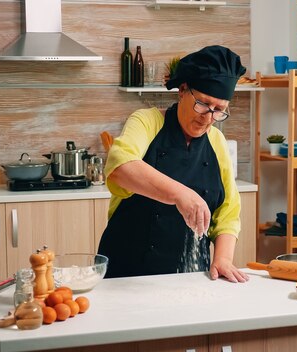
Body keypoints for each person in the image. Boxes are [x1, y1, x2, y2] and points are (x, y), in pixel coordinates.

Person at [98, 45, 249, 283]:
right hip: (126, 277)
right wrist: (181, 194)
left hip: (191, 277)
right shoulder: (147, 121)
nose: (208, 118)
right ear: (182, 90)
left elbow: (228, 212)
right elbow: (120, 167)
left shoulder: (217, 141)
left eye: (218, 110)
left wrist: (223, 259)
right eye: (202, 103)